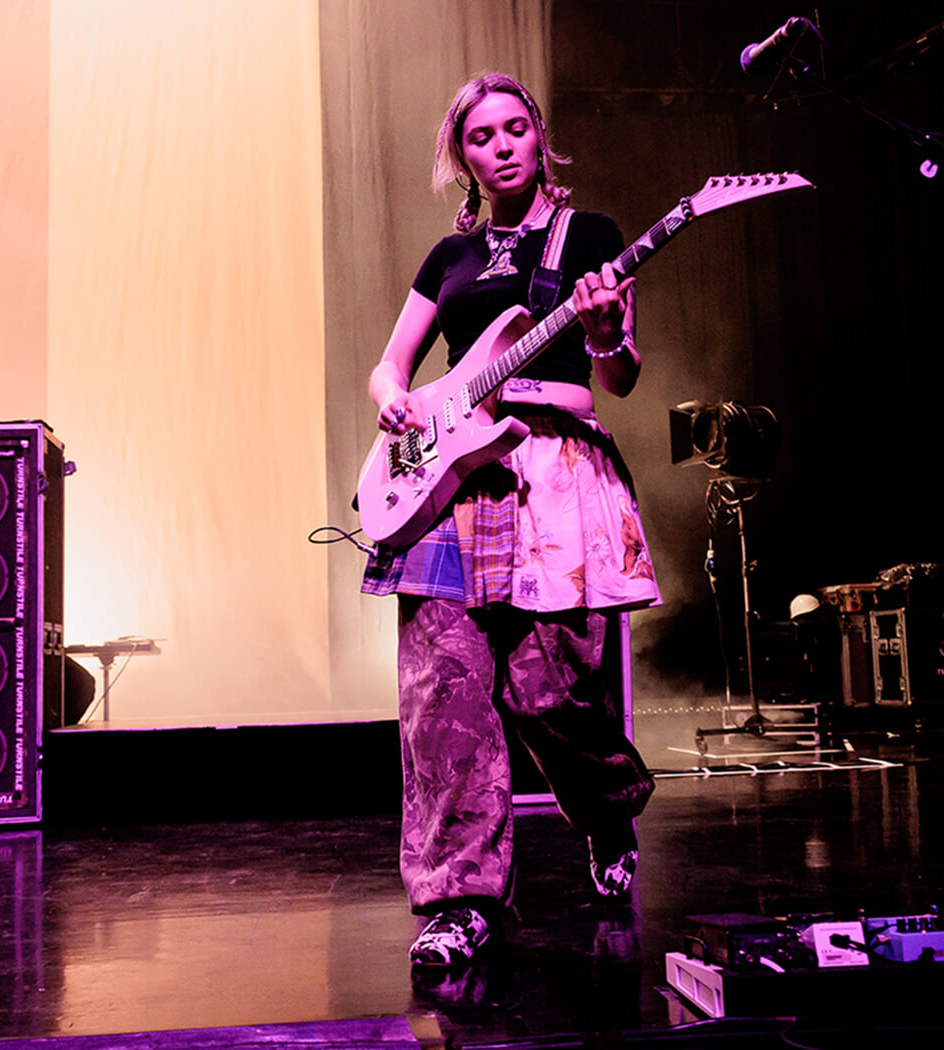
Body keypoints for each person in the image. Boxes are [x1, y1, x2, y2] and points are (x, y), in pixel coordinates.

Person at [360, 72, 662, 969]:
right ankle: (460, 904)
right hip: (453, 478)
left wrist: (603, 331)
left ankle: (608, 808)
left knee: (550, 689)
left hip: (554, 471)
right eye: (481, 135)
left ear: (540, 139)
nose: (501, 145)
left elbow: (621, 378)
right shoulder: (445, 263)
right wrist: (396, 405)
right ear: (462, 156)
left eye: (516, 128)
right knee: (442, 696)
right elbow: (391, 368)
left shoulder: (594, 239)